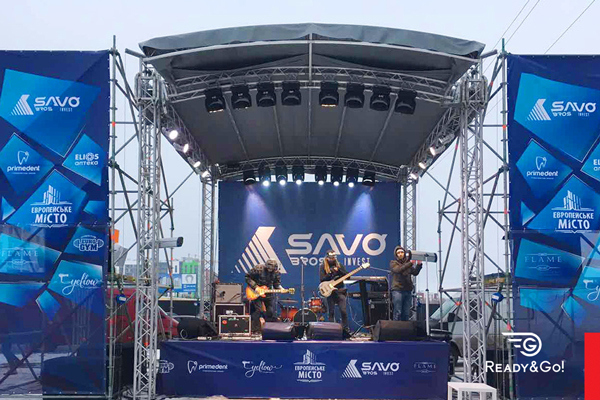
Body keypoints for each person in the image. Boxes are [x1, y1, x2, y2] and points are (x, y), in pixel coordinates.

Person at [245, 259, 284, 332]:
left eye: (272, 268)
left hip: (268, 293)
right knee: (258, 311)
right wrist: (256, 287)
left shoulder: (276, 273)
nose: (270, 269)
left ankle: (269, 330)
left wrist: (281, 289)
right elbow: (247, 277)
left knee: (270, 311)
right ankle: (255, 330)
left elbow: (276, 284)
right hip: (256, 292)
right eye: (269, 267)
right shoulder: (258, 268)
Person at [319, 250, 349, 333]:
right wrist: (330, 273)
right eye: (330, 258)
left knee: (343, 311)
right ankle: (331, 330)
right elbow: (322, 279)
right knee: (331, 311)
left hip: (340, 291)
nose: (332, 259)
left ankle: (345, 329)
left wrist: (339, 271)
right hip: (330, 292)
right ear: (327, 258)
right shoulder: (323, 266)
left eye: (334, 257)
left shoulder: (340, 265)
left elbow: (348, 276)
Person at [390, 246, 422, 321]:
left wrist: (419, 265)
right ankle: (396, 327)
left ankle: (405, 327)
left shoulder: (408, 264)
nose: (400, 254)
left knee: (406, 313)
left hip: (407, 290)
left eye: (402, 252)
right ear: (396, 254)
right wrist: (410, 263)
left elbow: (415, 273)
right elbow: (398, 270)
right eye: (398, 253)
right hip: (397, 290)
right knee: (398, 312)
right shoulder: (393, 263)